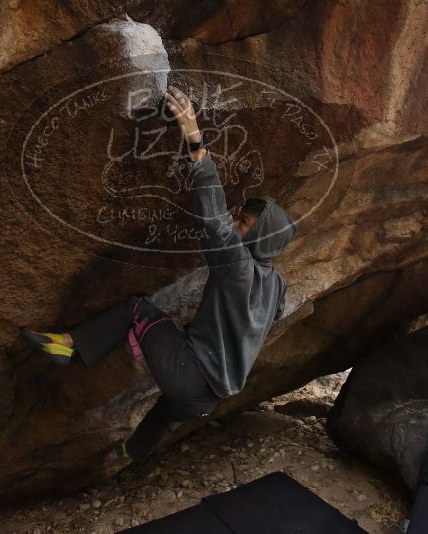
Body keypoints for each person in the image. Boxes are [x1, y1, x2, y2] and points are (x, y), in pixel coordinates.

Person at [20, 85, 298, 461]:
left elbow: (214, 221)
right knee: (168, 414)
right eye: (239, 216)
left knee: (137, 309)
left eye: (244, 222)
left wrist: (195, 139)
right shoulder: (276, 285)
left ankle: (68, 345)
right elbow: (274, 314)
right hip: (209, 398)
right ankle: (128, 455)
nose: (235, 223)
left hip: (190, 374)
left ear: (261, 235)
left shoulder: (238, 266)